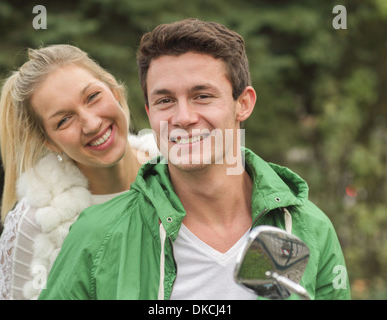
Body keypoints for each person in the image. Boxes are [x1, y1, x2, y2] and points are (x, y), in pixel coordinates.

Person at [39, 19, 351, 300]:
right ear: (149, 112)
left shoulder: (307, 228)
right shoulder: (97, 235)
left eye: (202, 95)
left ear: (243, 103)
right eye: (165, 100)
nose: (183, 117)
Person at [0, 44, 159, 300]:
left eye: (93, 97)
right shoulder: (37, 224)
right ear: (50, 141)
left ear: (114, 91)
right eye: (63, 120)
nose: (91, 124)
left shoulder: (177, 170)